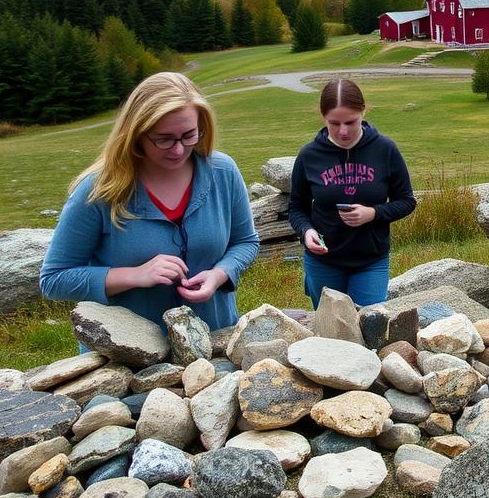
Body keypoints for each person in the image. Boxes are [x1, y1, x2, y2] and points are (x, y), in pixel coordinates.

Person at [41, 72, 258, 331]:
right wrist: (134, 275)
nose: (178, 149)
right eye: (164, 139)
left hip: (215, 343)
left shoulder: (222, 171)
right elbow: (54, 280)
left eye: (189, 135)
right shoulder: (99, 190)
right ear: (135, 134)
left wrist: (220, 274)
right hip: (128, 359)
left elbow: (245, 242)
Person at [288, 79, 416, 308]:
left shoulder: (385, 149)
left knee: (369, 325)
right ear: (322, 116)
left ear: (363, 111)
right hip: (323, 262)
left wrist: (373, 213)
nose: (343, 131)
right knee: (331, 330)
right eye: (334, 123)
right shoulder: (309, 155)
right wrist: (306, 232)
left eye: (351, 122)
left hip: (371, 260)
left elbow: (406, 201)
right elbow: (297, 207)